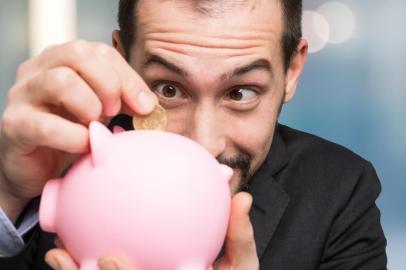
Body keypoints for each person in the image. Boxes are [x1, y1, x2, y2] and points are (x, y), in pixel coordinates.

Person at [0, 0, 387, 269]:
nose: (203, 144)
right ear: (122, 59)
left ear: (291, 71)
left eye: (241, 93)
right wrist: (9, 196)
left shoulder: (340, 190)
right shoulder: (61, 165)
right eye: (168, 89)